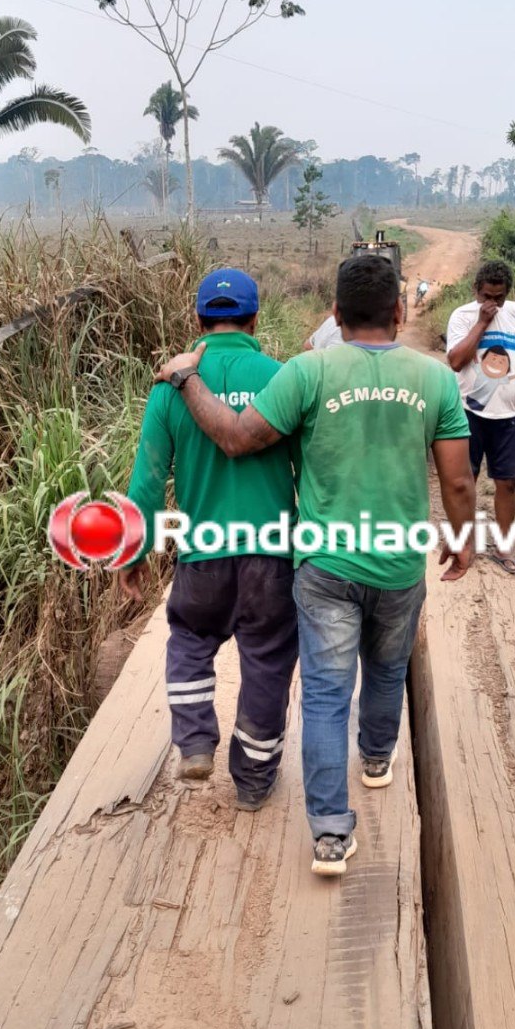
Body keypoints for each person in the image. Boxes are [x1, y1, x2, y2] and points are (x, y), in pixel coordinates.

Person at [155, 253, 476, 877]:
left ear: (335, 314)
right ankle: (378, 760)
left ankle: (330, 833)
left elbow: (235, 438)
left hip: (324, 566)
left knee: (327, 696)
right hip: (398, 565)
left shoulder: (306, 373)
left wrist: (185, 379)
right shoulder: (435, 379)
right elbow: (459, 482)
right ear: (400, 311)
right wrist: (463, 539)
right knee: (386, 671)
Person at [121, 268, 298, 811]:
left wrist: (134, 552)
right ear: (255, 319)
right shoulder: (284, 378)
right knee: (266, 660)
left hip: (203, 555)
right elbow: (309, 472)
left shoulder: (170, 386)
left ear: (197, 320)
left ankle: (196, 741)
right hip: (272, 555)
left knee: (191, 644)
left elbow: (148, 480)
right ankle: (253, 782)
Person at [445, 259, 515, 575]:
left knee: (508, 482)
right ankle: (464, 543)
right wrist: (481, 324)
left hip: (509, 416)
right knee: (466, 481)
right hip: (469, 412)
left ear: (507, 294)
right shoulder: (462, 317)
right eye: (487, 296)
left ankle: (503, 547)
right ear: (476, 290)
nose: (493, 303)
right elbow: (456, 361)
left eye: (499, 297)